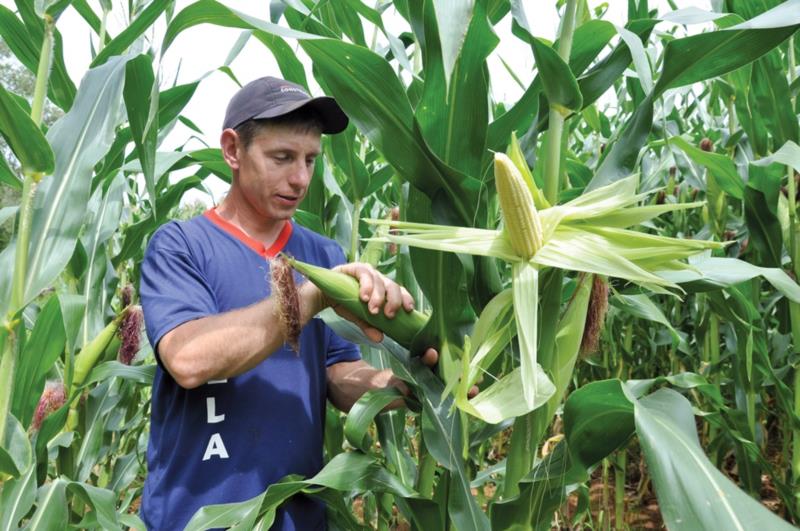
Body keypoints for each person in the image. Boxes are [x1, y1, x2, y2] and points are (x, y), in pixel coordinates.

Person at [138, 76, 438, 530]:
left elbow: (338, 378)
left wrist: (412, 385)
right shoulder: (182, 245)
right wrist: (312, 297)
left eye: (310, 160)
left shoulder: (322, 256)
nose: (300, 178)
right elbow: (188, 359)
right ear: (233, 150)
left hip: (295, 515)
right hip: (195, 518)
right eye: (282, 158)